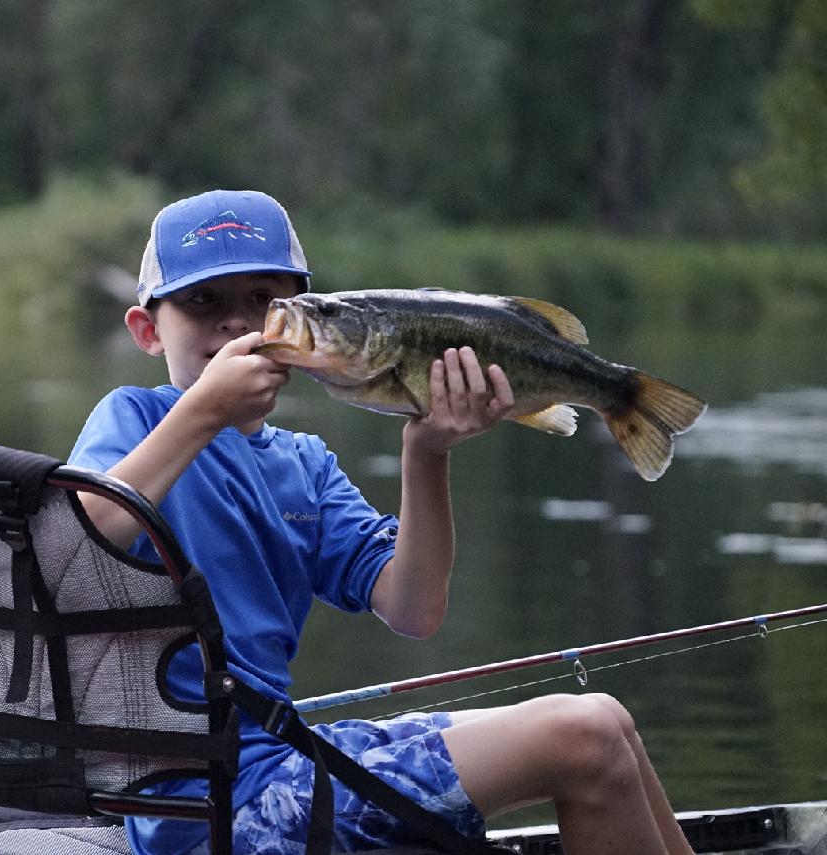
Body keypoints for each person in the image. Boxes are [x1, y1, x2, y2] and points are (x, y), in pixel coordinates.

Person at [68, 189, 693, 855]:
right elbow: (75, 543)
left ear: (290, 312)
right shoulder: (132, 418)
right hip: (208, 819)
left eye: (260, 299)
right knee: (585, 734)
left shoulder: (303, 465)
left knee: (610, 722)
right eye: (203, 303)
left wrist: (425, 450)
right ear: (146, 330)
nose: (234, 323)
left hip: (278, 769)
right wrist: (204, 411)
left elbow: (414, 606)